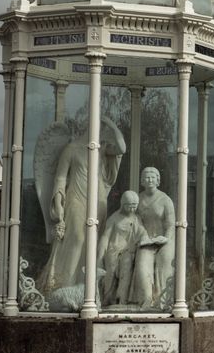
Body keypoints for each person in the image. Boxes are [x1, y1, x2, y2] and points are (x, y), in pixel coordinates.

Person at [37, 117, 125, 296]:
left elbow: (122, 148)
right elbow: (60, 177)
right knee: (77, 237)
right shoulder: (71, 149)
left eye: (102, 129)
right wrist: (57, 200)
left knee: (95, 241)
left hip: (98, 198)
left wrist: (111, 124)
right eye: (100, 128)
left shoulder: (102, 150)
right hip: (76, 197)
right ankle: (64, 286)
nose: (102, 133)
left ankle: (88, 288)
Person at [131, 167, 175, 309]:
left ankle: (164, 301)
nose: (149, 180)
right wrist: (143, 237)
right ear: (142, 181)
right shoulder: (138, 199)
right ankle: (147, 300)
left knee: (165, 262)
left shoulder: (165, 200)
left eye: (152, 177)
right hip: (146, 240)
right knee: (142, 265)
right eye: (146, 177)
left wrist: (166, 238)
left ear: (158, 180)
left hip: (164, 241)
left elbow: (170, 224)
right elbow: (135, 222)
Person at [98, 191, 147, 306]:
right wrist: (100, 256)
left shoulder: (136, 219)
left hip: (128, 252)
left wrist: (146, 239)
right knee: (110, 274)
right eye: (129, 206)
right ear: (122, 204)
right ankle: (108, 300)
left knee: (126, 273)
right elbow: (105, 236)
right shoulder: (114, 218)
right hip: (113, 250)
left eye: (134, 206)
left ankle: (121, 301)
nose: (131, 209)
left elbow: (142, 233)